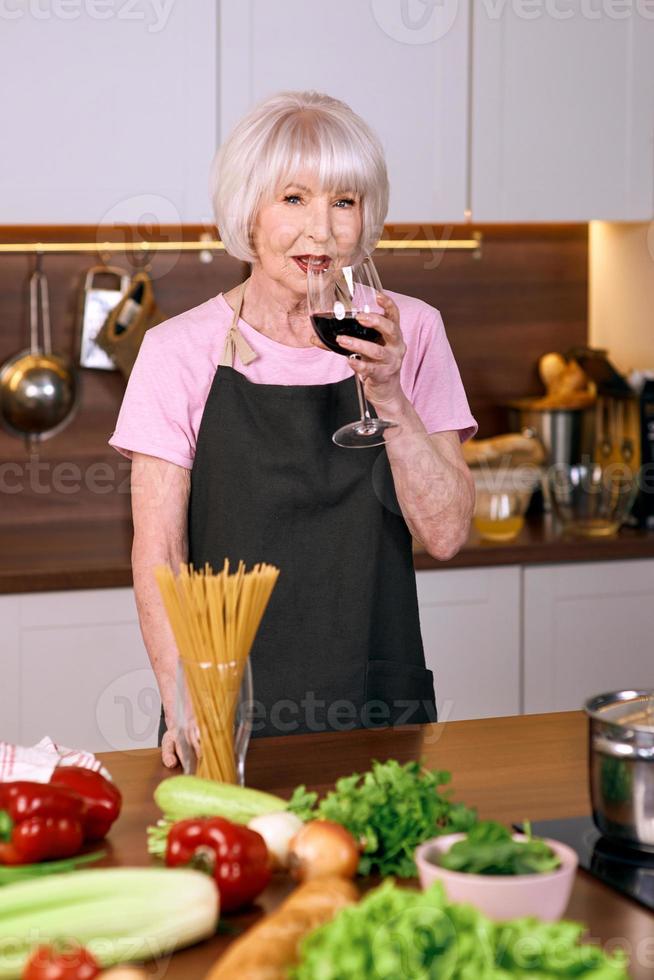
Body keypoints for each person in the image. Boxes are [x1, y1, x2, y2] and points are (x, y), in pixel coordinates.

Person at [109, 90, 477, 765]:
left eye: (345, 201)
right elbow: (158, 555)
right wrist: (186, 702)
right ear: (247, 211)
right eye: (294, 199)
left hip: (376, 696)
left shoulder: (410, 331)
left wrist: (391, 397)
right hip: (226, 706)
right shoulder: (177, 352)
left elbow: (448, 533)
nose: (323, 231)